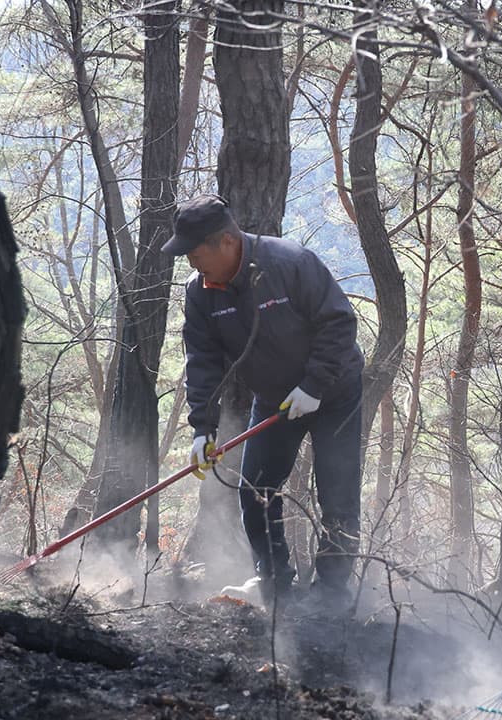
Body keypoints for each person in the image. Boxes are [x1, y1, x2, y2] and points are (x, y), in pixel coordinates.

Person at [166, 194, 364, 610]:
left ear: (226, 241)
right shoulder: (200, 293)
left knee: (338, 493)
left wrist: (314, 385)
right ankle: (274, 584)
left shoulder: (290, 263)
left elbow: (339, 322)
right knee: (255, 488)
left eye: (196, 253)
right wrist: (203, 428)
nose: (192, 264)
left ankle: (331, 595)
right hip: (275, 400)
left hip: (334, 391)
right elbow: (202, 360)